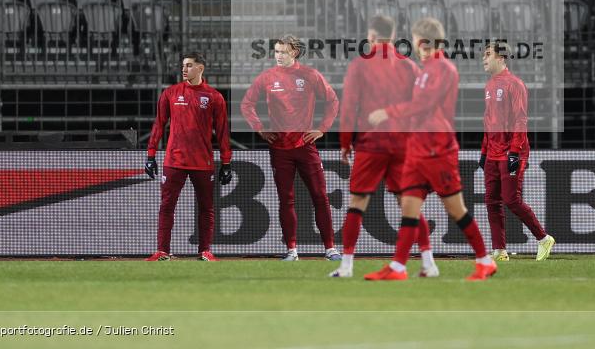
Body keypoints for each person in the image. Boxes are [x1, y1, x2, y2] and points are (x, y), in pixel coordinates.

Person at [365, 18, 496, 281]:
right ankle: (399, 267)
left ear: (422, 41)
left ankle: (484, 260)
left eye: (414, 39)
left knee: (456, 209)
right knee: (409, 209)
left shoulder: (444, 69)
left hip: (438, 150)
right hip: (417, 148)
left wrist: (388, 112)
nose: (413, 44)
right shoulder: (426, 69)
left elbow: (423, 105)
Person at [329, 15, 437, 279]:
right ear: (393, 34)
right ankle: (428, 262)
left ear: (373, 35)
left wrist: (345, 143)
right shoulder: (409, 67)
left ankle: (346, 266)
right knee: (409, 204)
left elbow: (349, 107)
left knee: (357, 203)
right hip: (403, 144)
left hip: (371, 143)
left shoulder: (359, 66)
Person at [240, 34, 341, 261]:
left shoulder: (310, 75)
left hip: (305, 146)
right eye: (276, 51)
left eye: (283, 52)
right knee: (286, 199)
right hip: (279, 148)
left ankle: (330, 249)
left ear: (294, 52)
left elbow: (333, 101)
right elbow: (246, 103)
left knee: (320, 197)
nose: (278, 56)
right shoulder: (267, 77)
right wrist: (259, 128)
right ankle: (292, 250)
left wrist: (322, 129)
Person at [145, 53, 232, 261]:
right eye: (183, 65)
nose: (184, 69)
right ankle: (162, 251)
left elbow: (222, 132)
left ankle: (205, 251)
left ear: (200, 68)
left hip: (203, 162)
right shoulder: (171, 93)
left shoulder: (214, 97)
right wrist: (151, 154)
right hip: (174, 161)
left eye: (189, 65)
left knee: (206, 208)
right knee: (167, 207)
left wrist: (227, 162)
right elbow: (158, 125)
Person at [479, 41, 555, 262]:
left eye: (487, 54)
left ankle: (543, 238)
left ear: (501, 58)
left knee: (512, 200)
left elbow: (520, 120)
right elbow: (488, 121)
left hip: (511, 152)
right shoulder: (489, 85)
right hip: (492, 152)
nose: (483, 58)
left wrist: (514, 152)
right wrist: (484, 151)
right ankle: (499, 251)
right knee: (491, 201)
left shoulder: (515, 84)